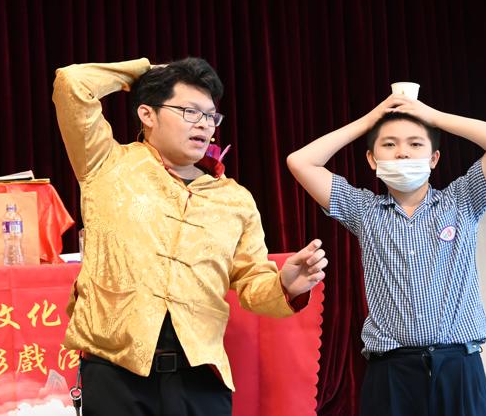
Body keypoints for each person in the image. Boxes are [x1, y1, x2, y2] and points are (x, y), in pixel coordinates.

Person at [52, 57, 327, 416]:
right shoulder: (106, 164)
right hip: (115, 372)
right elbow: (72, 83)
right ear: (147, 114)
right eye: (189, 112)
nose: (204, 124)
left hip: (199, 379)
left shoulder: (234, 199)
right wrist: (146, 71)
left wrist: (285, 285)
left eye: (211, 116)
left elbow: (252, 284)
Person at [287, 92, 486, 416]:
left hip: (459, 366)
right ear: (372, 159)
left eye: (415, 144)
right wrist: (370, 120)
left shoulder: (462, 200)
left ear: (434, 158)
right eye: (389, 144)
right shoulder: (364, 211)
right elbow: (300, 162)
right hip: (391, 371)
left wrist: (433, 117)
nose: (402, 153)